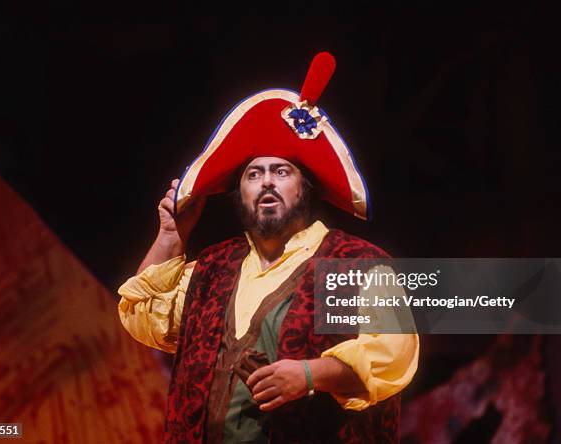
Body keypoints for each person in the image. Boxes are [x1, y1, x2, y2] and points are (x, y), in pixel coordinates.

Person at [118, 53, 419, 443]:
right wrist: (170, 237)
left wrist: (310, 374)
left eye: (282, 171)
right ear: (240, 192)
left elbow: (393, 354)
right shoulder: (213, 268)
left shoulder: (355, 265)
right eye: (253, 174)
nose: (266, 183)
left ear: (305, 187)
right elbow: (143, 317)